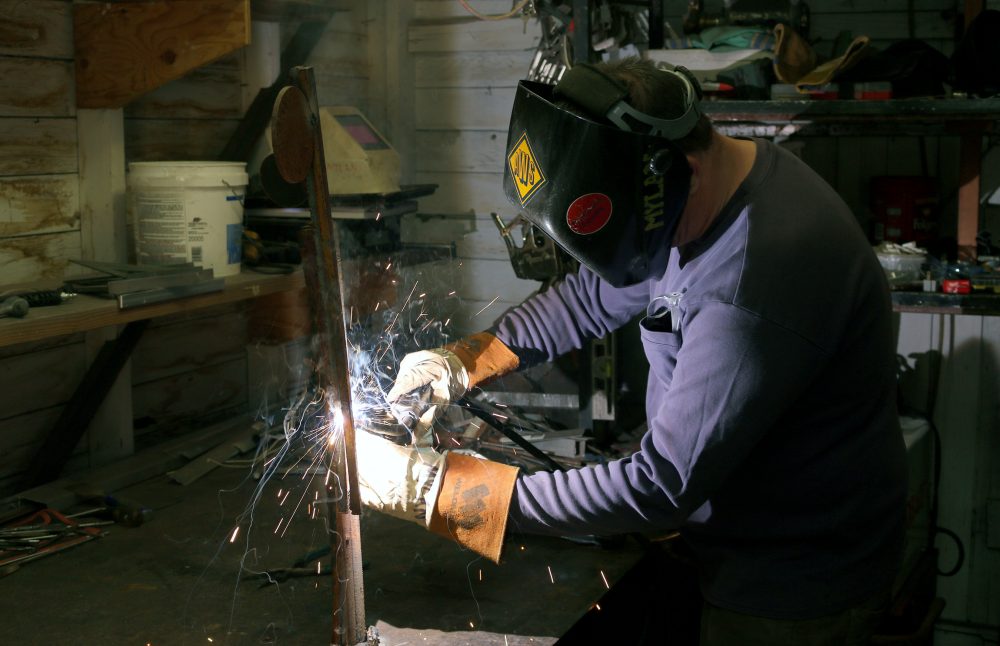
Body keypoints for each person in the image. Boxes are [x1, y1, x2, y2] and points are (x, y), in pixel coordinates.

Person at [356, 57, 907, 645]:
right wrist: (465, 360)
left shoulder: (751, 286)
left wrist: (447, 494)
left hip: (792, 588)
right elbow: (589, 298)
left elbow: (660, 485)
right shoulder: (709, 189)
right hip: (729, 541)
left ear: (681, 171)